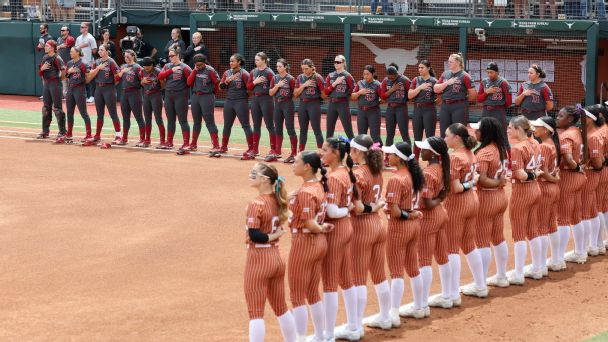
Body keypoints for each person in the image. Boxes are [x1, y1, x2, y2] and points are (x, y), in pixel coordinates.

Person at [243, 163, 297, 342]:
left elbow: (255, 235)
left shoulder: (256, 203)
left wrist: (273, 234)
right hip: (276, 258)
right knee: (281, 307)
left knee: (256, 313)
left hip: (259, 260)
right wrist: (276, 235)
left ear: (265, 180)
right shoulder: (278, 200)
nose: (250, 175)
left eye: (254, 173)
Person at [347, 134, 391, 332]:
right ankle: (385, 317)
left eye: (352, 150)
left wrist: (371, 208)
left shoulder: (358, 174)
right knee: (379, 274)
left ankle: (355, 326)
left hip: (362, 227)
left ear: (357, 151)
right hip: (378, 226)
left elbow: (357, 207)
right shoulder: (377, 171)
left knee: (358, 277)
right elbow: (377, 199)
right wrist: (375, 207)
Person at [288, 151, 333, 341]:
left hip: (305, 242)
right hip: (318, 244)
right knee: (313, 292)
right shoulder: (317, 186)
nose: (293, 163)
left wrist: (321, 228)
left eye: (296, 161)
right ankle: (320, 337)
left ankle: (299, 338)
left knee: (297, 295)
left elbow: (309, 224)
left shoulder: (306, 191)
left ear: (307, 167)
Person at [319, 137, 359, 341]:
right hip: (346, 228)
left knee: (329, 283)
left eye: (325, 149)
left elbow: (333, 211)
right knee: (347, 278)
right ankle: (353, 326)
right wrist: (348, 208)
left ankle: (327, 335)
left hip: (336, 229)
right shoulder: (345, 172)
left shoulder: (335, 177)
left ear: (335, 153)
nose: (321, 152)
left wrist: (345, 209)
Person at [381, 142, 425, 321]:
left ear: (399, 158)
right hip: (414, 227)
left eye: (391, 154)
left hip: (400, 227)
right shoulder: (415, 175)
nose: (387, 157)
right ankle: (420, 306)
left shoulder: (396, 179)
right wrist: (412, 214)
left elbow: (396, 212)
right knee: (413, 267)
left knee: (396, 271)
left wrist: (408, 214)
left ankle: (393, 314)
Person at [443, 123, 487, 301]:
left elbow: (456, 188)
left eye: (447, 135)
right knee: (469, 244)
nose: (444, 138)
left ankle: (453, 294)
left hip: (457, 204)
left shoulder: (454, 158)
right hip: (472, 201)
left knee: (451, 248)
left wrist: (469, 184)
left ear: (456, 138)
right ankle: (480, 285)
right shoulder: (470, 154)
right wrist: (472, 184)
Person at [470, 117, 509, 287]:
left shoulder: (484, 152)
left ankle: (481, 282)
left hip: (487, 198)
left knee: (482, 239)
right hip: (500, 197)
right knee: (498, 237)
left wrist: (497, 182)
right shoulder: (502, 149)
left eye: (477, 130)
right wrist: (499, 183)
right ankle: (501, 275)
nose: (475, 132)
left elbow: (483, 180)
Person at [414, 137, 452, 310]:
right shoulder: (443, 168)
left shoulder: (429, 173)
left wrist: (436, 200)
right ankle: (447, 295)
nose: (421, 151)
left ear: (433, 153)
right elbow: (445, 193)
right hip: (441, 214)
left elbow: (428, 203)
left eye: (425, 149)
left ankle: (421, 304)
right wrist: (439, 199)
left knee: (424, 260)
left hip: (429, 217)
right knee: (443, 256)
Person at [505, 116, 543, 284]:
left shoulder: (518, 148)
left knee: (519, 234)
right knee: (533, 230)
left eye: (510, 128)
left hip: (522, 192)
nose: (508, 130)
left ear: (519, 129)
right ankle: (537, 268)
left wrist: (518, 175)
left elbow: (521, 174)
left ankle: (519, 274)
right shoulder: (536, 143)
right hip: (535, 189)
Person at [555, 106, 587, 265]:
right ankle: (580, 252)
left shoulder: (567, 135)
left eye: (560, 115)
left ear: (569, 119)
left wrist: (575, 166)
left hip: (568, 177)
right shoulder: (578, 132)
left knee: (563, 219)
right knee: (576, 217)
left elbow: (567, 157)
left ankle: (558, 258)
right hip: (579, 178)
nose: (557, 117)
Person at [531, 116, 562, 271]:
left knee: (542, 226)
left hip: (545, 187)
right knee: (552, 225)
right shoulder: (554, 144)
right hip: (553, 189)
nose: (534, 129)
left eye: (537, 127)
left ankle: (541, 266)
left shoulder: (543, 146)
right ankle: (556, 260)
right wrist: (555, 180)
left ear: (545, 130)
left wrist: (552, 179)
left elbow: (542, 171)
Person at [215, 54, 253, 159]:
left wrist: (243, 97)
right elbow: (220, 88)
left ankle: (251, 148)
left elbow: (250, 89)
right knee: (227, 125)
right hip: (229, 101)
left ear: (239, 62)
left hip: (241, 102)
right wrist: (227, 81)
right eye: (230, 61)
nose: (231, 63)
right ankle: (223, 147)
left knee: (245, 125)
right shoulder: (227, 73)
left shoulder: (244, 74)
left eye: (233, 61)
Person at [580, 106, 605, 256]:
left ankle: (594, 245)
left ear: (590, 119)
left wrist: (586, 164)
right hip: (591, 174)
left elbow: (598, 163)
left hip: (591, 175)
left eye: (584, 116)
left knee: (590, 211)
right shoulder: (589, 133)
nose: (581, 119)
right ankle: (597, 244)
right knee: (593, 209)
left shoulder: (594, 136)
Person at [434, 53, 477, 138]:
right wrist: (447, 83)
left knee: (459, 134)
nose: (448, 63)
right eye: (448, 61)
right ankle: (444, 151)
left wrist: (462, 100)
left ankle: (461, 151)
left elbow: (473, 95)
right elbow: (435, 89)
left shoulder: (465, 76)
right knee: (444, 134)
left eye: (451, 62)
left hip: (459, 106)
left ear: (457, 62)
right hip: (445, 106)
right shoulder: (445, 74)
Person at [85, 44, 121, 144]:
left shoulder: (111, 62)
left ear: (107, 51)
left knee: (113, 113)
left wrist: (112, 84)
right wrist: (98, 68)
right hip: (98, 89)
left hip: (109, 88)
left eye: (102, 50)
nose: (99, 52)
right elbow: (89, 76)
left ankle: (118, 135)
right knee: (99, 114)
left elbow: (117, 76)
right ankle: (97, 135)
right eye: (99, 50)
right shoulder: (97, 62)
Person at [158, 47, 192, 150]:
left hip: (180, 96)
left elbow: (190, 82)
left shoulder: (185, 67)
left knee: (183, 120)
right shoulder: (167, 66)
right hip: (168, 95)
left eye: (172, 55)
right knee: (170, 120)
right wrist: (171, 70)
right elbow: (160, 76)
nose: (170, 57)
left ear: (178, 55)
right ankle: (169, 142)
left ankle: (186, 143)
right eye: (169, 56)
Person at [186, 54, 220, 152]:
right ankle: (193, 144)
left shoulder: (210, 70)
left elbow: (217, 83)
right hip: (195, 96)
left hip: (207, 96)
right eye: (197, 65)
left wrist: (212, 94)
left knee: (209, 121)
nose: (199, 66)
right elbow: (189, 83)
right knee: (196, 122)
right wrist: (194, 70)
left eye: (200, 65)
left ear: (204, 62)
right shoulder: (195, 70)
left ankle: (216, 145)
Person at [247, 52, 276, 158]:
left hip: (266, 99)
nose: (256, 61)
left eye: (258, 60)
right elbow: (249, 87)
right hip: (255, 99)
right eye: (255, 60)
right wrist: (255, 82)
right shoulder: (253, 72)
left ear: (264, 60)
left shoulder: (269, 72)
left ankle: (273, 149)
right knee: (256, 125)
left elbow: (274, 85)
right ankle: (255, 149)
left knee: (269, 125)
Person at [268, 59, 297, 163]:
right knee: (278, 128)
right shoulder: (274, 78)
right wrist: (278, 85)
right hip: (277, 104)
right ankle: (277, 151)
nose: (278, 68)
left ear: (285, 67)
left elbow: (295, 94)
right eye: (277, 66)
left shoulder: (291, 79)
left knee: (290, 128)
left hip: (287, 104)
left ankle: (293, 153)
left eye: (280, 66)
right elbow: (271, 93)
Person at [38, 40, 67, 141]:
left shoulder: (57, 58)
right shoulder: (45, 57)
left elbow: (64, 70)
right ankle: (45, 131)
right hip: (47, 84)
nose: (45, 47)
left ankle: (62, 132)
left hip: (55, 84)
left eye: (47, 46)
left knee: (57, 108)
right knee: (46, 108)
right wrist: (42, 68)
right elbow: (40, 73)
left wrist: (60, 79)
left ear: (52, 47)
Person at [293, 59, 325, 152]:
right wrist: (304, 85)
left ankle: (321, 153)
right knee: (303, 129)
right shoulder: (300, 78)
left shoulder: (318, 77)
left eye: (306, 69)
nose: (304, 71)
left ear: (312, 68)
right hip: (303, 104)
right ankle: (301, 152)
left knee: (316, 129)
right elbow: (295, 94)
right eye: (302, 69)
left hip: (314, 104)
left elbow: (324, 95)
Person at [115, 49, 145, 146]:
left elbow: (142, 82)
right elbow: (116, 79)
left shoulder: (137, 67)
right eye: (125, 56)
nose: (126, 58)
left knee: (138, 117)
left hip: (134, 93)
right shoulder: (123, 66)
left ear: (133, 56)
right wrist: (122, 71)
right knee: (125, 118)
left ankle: (142, 139)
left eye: (128, 56)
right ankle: (124, 138)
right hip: (124, 93)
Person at [409, 60, 438, 159]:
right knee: (417, 137)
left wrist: (434, 101)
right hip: (417, 109)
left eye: (422, 67)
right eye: (419, 67)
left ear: (428, 68)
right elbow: (409, 95)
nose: (420, 69)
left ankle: (431, 160)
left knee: (430, 137)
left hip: (429, 109)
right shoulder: (415, 80)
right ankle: (415, 160)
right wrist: (420, 87)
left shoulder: (434, 81)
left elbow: (440, 97)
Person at [477, 62, 511, 147]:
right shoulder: (484, 82)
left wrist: (500, 107)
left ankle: (507, 158)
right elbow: (479, 99)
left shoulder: (503, 82)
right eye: (488, 72)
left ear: (497, 72)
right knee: (485, 134)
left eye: (491, 72)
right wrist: (487, 92)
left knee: (502, 136)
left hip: (498, 111)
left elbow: (509, 101)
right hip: (486, 111)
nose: (489, 74)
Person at [323, 55, 355, 140]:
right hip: (332, 103)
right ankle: (328, 150)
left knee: (348, 129)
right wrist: (335, 83)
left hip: (343, 104)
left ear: (343, 63)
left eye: (338, 62)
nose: (336, 64)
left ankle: (354, 150)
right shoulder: (330, 75)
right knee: (329, 129)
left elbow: (353, 88)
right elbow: (326, 92)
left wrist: (346, 95)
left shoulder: (347, 76)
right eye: (335, 62)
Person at [63, 46, 92, 142]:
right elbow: (66, 76)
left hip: (79, 89)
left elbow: (88, 77)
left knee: (83, 113)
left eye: (72, 51)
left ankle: (89, 135)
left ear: (77, 53)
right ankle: (69, 134)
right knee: (69, 113)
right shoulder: (70, 63)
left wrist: (82, 81)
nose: (70, 53)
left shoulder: (83, 64)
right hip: (70, 89)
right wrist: (69, 71)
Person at [381, 63, 410, 151]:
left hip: (401, 108)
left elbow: (410, 95)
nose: (390, 79)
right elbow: (383, 96)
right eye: (389, 77)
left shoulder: (405, 80)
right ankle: (388, 156)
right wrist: (392, 89)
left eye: (392, 77)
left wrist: (403, 101)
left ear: (396, 74)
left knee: (404, 133)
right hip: (390, 108)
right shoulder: (386, 81)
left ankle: (408, 156)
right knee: (389, 134)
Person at [352, 65, 382, 144]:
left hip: (373, 112)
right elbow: (352, 96)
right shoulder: (360, 83)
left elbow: (383, 98)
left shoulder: (378, 85)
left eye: (367, 74)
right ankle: (363, 155)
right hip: (361, 112)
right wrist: (359, 92)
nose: (365, 76)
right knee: (361, 136)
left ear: (372, 74)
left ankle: (379, 154)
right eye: (364, 74)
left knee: (375, 136)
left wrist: (376, 102)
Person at [141, 57, 166, 148]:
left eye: (148, 66)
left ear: (152, 64)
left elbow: (163, 85)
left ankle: (162, 141)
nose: (146, 68)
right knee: (147, 119)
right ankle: (147, 140)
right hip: (146, 96)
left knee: (158, 118)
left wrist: (156, 90)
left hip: (156, 96)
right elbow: (141, 83)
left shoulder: (158, 71)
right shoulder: (142, 71)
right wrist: (142, 82)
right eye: (145, 66)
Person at [75, 22, 97, 103]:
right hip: (80, 62)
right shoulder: (78, 38)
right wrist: (81, 47)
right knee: (81, 80)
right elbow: (76, 49)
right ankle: (84, 96)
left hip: (89, 62)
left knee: (90, 80)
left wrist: (88, 47)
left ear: (87, 28)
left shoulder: (91, 38)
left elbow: (94, 51)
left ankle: (92, 96)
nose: (81, 28)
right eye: (80, 27)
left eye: (82, 27)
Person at [57, 26, 75, 97]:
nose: (62, 31)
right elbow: (57, 49)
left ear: (68, 31)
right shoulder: (59, 39)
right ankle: (64, 94)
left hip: (69, 63)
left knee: (69, 79)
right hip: (61, 63)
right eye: (61, 30)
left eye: (63, 30)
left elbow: (65, 45)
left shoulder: (70, 38)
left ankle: (71, 95)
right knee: (62, 79)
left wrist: (58, 46)